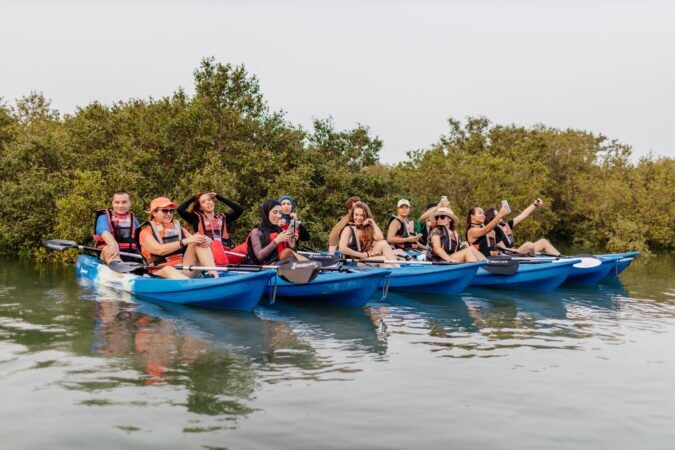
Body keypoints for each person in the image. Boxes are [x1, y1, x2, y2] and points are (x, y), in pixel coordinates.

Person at [137, 197, 218, 279]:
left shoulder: (179, 228)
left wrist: (208, 240)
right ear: (154, 213)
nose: (169, 214)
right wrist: (183, 242)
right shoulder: (145, 232)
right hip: (161, 271)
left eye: (171, 211)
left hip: (185, 267)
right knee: (168, 269)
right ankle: (190, 287)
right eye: (165, 211)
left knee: (198, 241)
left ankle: (214, 275)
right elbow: (159, 250)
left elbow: (194, 239)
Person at [177, 192, 246, 265]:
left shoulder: (223, 217)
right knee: (216, 243)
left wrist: (219, 197)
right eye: (203, 202)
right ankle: (222, 268)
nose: (208, 203)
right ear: (201, 207)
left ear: (213, 202)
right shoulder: (195, 218)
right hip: (209, 254)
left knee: (246, 245)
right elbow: (180, 210)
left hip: (226, 252)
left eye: (209, 200)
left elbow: (239, 210)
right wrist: (194, 197)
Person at [484, 198, 560, 256]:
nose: (501, 213)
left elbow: (523, 214)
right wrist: (518, 250)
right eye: (497, 214)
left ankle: (561, 259)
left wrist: (535, 204)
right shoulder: (493, 231)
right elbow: (504, 250)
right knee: (529, 245)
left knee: (543, 242)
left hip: (517, 251)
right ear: (492, 218)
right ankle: (533, 260)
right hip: (510, 255)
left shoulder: (506, 225)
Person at [338, 201, 398, 267]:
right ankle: (398, 270)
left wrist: (372, 222)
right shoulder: (348, 229)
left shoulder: (366, 228)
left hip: (365, 259)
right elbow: (342, 248)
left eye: (362, 215)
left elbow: (380, 238)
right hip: (354, 262)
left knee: (383, 245)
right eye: (356, 215)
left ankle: (398, 271)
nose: (359, 218)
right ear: (352, 215)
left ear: (366, 216)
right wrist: (363, 255)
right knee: (383, 258)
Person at [93, 190, 141, 264]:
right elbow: (105, 233)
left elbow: (141, 239)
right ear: (112, 203)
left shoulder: (134, 220)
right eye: (117, 202)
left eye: (124, 202)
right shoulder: (103, 217)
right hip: (111, 251)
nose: (120, 206)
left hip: (131, 253)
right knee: (109, 248)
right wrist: (113, 243)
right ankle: (118, 268)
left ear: (130, 203)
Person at [246, 199, 295, 265]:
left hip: (284, 264)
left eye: (280, 213)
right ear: (266, 212)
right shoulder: (256, 231)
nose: (278, 216)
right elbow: (259, 256)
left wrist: (292, 243)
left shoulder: (280, 229)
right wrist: (277, 241)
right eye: (275, 212)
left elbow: (291, 251)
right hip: (268, 270)